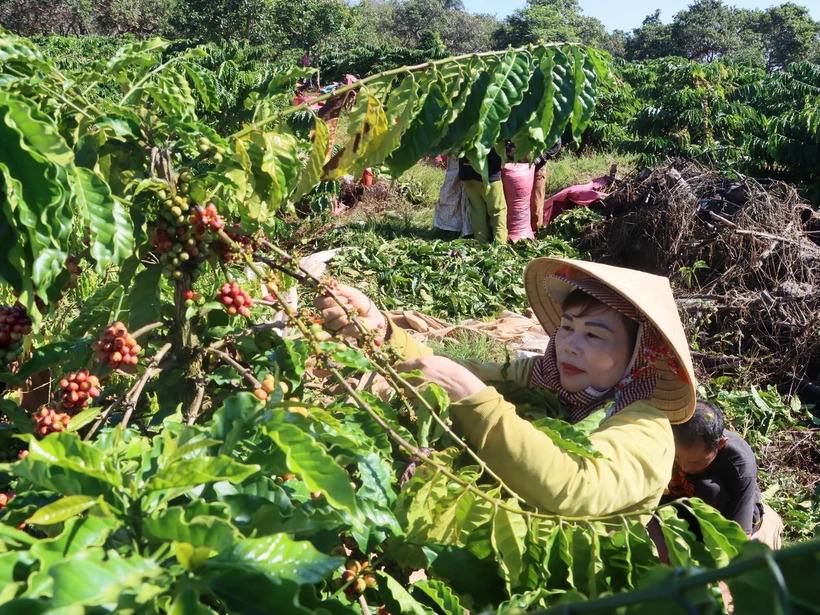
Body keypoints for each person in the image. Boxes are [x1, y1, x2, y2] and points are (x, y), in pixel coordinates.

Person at [315, 257, 697, 517]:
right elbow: (467, 371)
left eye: (594, 335)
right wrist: (383, 331)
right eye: (567, 328)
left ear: (639, 356)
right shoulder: (545, 379)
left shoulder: (645, 429)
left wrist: (476, 401)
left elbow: (577, 486)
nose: (570, 345)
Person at [667, 400, 783, 548]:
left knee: (709, 489)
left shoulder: (740, 464)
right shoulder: (670, 440)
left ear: (720, 444)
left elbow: (740, 536)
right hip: (684, 500)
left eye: (695, 462)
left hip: (724, 512)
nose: (685, 467)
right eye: (678, 458)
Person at [459, 150, 507, 244]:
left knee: (477, 211)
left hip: (467, 173)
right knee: (497, 211)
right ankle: (500, 244)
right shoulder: (491, 135)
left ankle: (481, 243)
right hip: (489, 175)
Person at [433, 156, 472, 239]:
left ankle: (468, 230)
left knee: (468, 195)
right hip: (455, 157)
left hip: (469, 158)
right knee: (450, 191)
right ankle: (448, 228)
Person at [530, 138, 562, 234]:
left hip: (537, 169)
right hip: (518, 170)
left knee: (536, 205)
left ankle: (536, 232)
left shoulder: (546, 123)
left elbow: (557, 142)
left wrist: (540, 157)